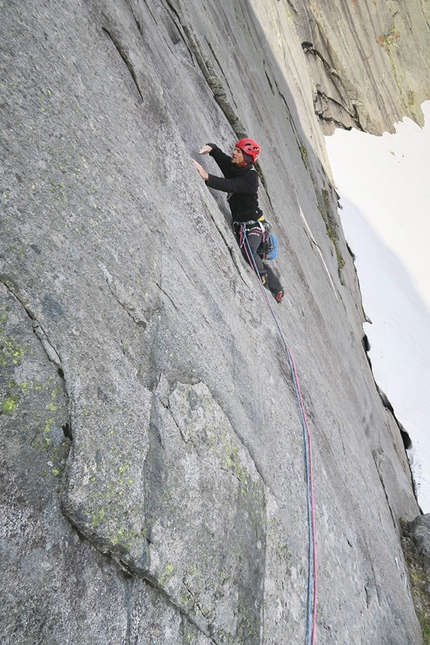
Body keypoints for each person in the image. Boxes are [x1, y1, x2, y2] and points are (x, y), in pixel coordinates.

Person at [192, 139, 284, 303]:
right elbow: (221, 157)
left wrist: (207, 176)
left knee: (249, 250)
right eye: (235, 149)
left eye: (238, 151)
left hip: (254, 226)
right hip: (243, 225)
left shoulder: (251, 178)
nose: (234, 152)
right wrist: (211, 148)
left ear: (248, 158)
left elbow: (232, 185)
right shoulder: (237, 168)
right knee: (251, 251)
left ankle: (266, 280)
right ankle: (274, 284)